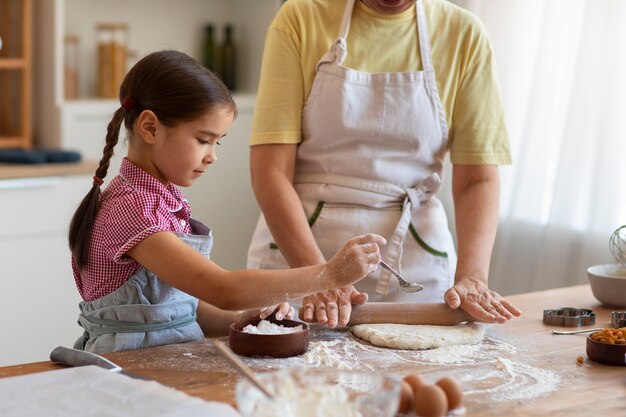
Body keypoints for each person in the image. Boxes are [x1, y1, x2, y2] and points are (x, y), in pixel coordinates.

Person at [68, 50, 386, 354]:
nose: (213, 157)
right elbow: (224, 289)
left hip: (167, 360)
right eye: (203, 140)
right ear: (150, 127)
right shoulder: (131, 210)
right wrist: (329, 274)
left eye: (217, 142)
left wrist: (241, 319)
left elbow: (181, 313)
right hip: (127, 368)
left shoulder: (160, 202)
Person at [247, 0, 522, 328]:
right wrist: (319, 277)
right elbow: (271, 172)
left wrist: (473, 277)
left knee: (419, 379)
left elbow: (478, 179)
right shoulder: (301, 18)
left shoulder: (463, 33)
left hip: (414, 267)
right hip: (302, 258)